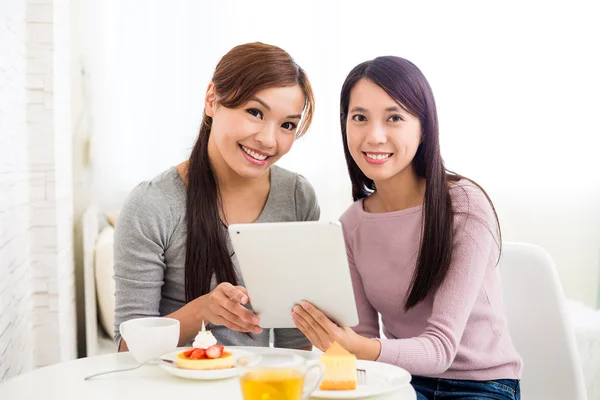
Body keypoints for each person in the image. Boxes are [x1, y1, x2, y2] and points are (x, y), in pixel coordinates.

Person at [291, 56, 522, 399]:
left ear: (424, 127)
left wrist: (357, 347)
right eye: (359, 118)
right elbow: (361, 345)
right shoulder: (351, 225)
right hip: (399, 381)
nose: (375, 135)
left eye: (394, 118)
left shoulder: (464, 205)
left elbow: (440, 349)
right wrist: (330, 350)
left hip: (482, 385)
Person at [114, 42, 319, 352]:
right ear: (212, 100)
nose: (268, 139)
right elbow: (127, 349)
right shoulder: (152, 204)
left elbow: (296, 345)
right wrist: (202, 311)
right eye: (254, 112)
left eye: (287, 125)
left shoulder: (297, 198)